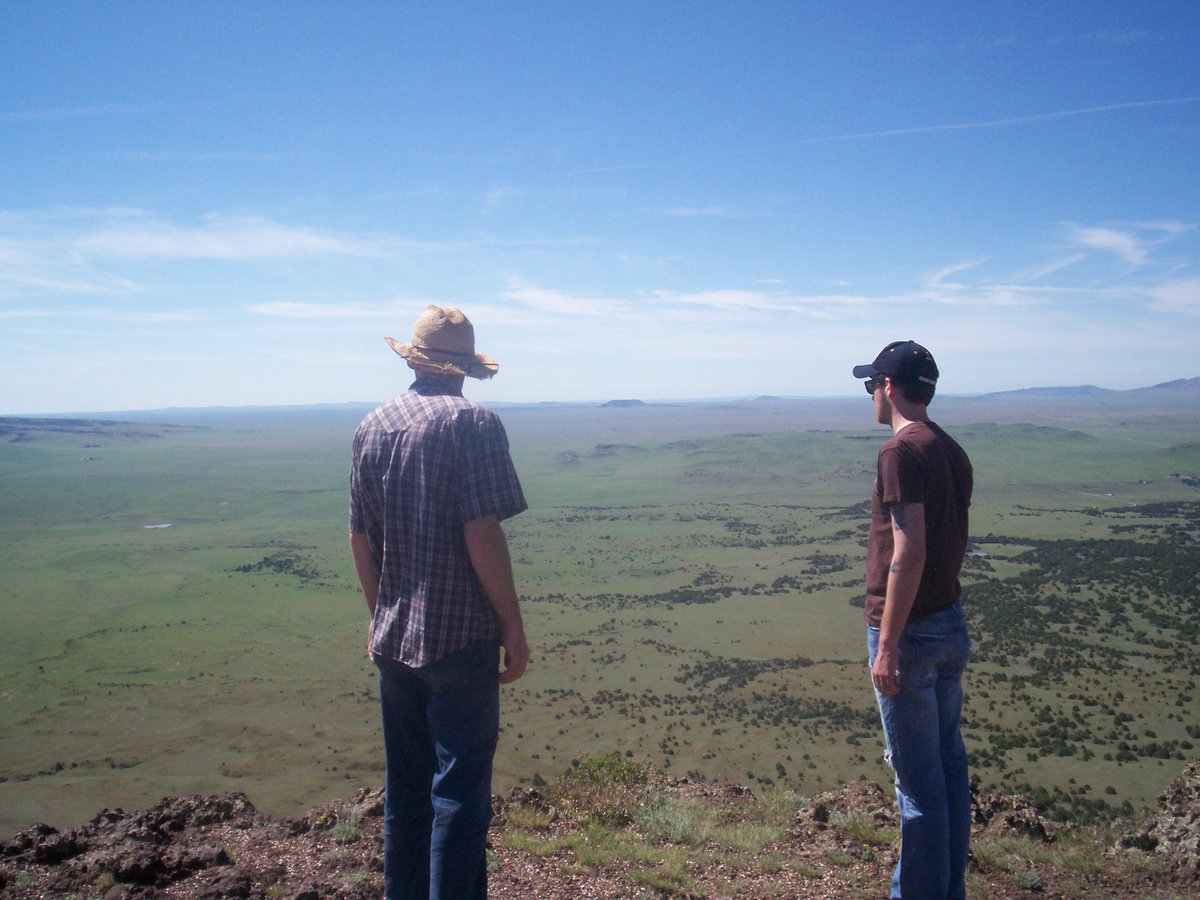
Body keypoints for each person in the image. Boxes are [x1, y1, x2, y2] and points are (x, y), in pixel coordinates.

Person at [349, 305, 529, 900]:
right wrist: (512, 626)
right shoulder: (472, 424)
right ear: (463, 369)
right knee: (459, 796)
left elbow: (359, 537)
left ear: (416, 359)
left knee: (406, 791)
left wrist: (381, 618)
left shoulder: (372, 426)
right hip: (459, 639)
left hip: (394, 641)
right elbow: (482, 532)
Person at [852, 340, 974, 900]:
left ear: (890, 387)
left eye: (871, 384)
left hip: (912, 635)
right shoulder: (950, 448)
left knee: (918, 787)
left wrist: (887, 646)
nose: (872, 395)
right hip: (948, 625)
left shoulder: (899, 452)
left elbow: (909, 552)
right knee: (947, 775)